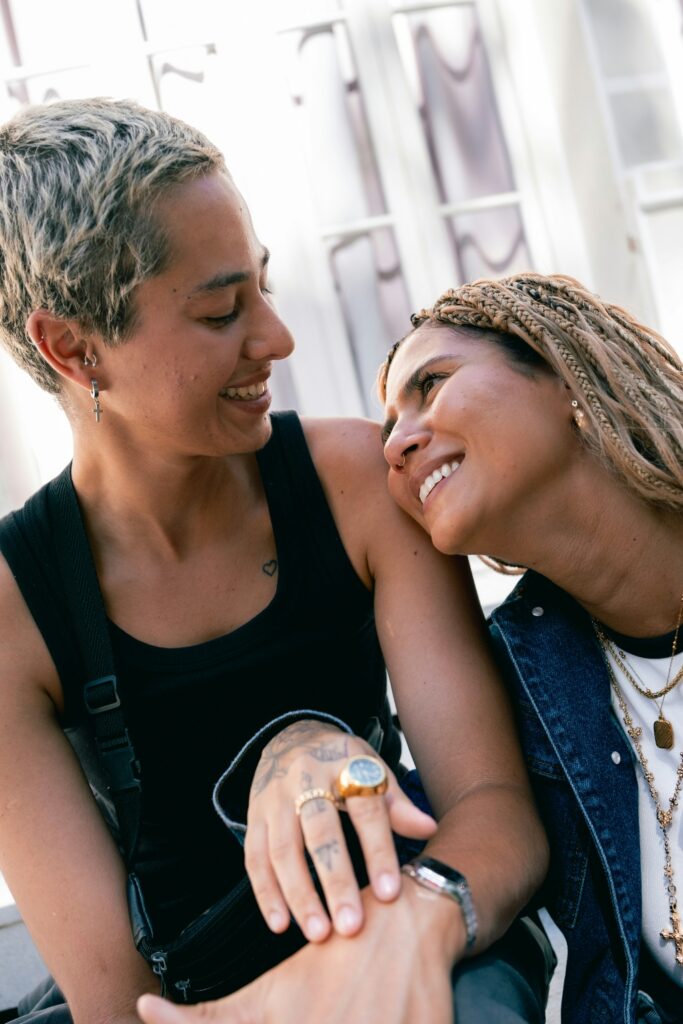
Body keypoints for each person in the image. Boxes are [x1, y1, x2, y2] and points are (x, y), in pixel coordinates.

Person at [0, 98, 550, 1024]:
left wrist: (416, 928)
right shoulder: (17, 607)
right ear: (73, 347)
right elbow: (112, 998)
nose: (276, 338)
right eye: (221, 311)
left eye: (261, 285)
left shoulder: (354, 484)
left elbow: (495, 813)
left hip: (415, 947)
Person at [374, 273, 683, 1023]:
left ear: (563, 374)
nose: (394, 443)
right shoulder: (519, 689)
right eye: (387, 425)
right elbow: (416, 832)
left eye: (432, 384)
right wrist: (308, 754)